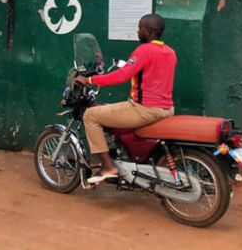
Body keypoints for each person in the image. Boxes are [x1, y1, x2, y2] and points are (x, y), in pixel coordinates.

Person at [74, 13, 177, 183]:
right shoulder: (170, 52)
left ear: (149, 31)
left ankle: (107, 166)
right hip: (166, 109)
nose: (138, 32)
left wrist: (89, 80)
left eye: (140, 28)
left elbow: (121, 76)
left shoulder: (144, 51)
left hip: (144, 110)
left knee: (91, 115)